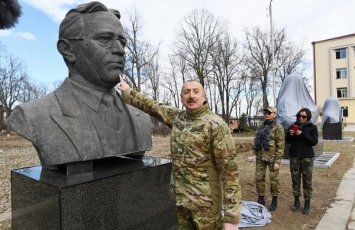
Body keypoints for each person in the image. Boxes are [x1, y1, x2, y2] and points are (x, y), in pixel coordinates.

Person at [6, 2, 151, 169]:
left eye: (122, 42)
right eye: (105, 39)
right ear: (67, 49)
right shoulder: (32, 115)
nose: (121, 50)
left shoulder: (141, 115)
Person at [117, 77, 241, 230]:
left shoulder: (215, 125)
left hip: (205, 207)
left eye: (196, 91)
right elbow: (153, 106)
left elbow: (230, 171)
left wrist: (232, 218)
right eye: (186, 92)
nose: (191, 95)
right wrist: (128, 91)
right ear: (182, 97)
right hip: (180, 202)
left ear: (204, 96)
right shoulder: (178, 118)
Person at [285, 108, 318, 215]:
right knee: (295, 179)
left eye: (303, 116)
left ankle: (307, 203)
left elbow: (313, 142)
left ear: (307, 117)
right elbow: (287, 141)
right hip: (294, 157)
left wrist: (302, 134)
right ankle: (297, 201)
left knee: (307, 181)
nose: (301, 118)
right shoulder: (293, 125)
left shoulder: (312, 127)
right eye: (299, 116)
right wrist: (290, 134)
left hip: (307, 157)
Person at [252, 106, 285, 211]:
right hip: (261, 157)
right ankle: (261, 198)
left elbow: (280, 145)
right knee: (259, 178)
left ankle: (274, 199)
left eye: (269, 112)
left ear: (275, 114)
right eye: (265, 112)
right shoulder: (261, 126)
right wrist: (254, 153)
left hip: (272, 158)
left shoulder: (278, 127)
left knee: (273, 180)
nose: (266, 114)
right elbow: (256, 140)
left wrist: (278, 160)